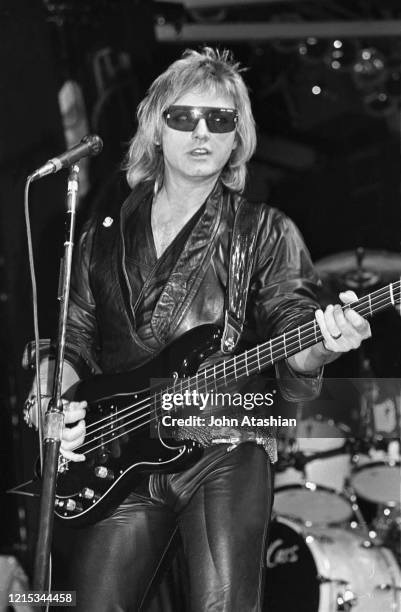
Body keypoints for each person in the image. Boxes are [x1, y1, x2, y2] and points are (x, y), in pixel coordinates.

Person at [26, 48, 371, 611]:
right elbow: (75, 334)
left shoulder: (264, 230)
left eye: (221, 119)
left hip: (223, 447)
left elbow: (293, 324)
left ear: (238, 138)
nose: (202, 131)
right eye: (183, 117)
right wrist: (49, 393)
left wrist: (322, 345)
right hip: (120, 452)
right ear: (155, 130)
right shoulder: (104, 232)